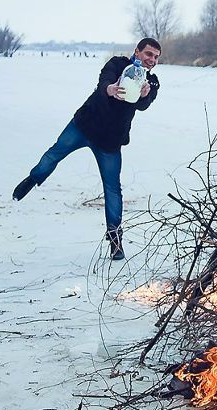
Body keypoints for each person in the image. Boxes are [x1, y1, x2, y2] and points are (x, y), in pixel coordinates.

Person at [12, 38, 162, 260]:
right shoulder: (117, 64)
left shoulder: (151, 82)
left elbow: (143, 104)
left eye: (156, 57)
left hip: (110, 141)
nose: (152, 60)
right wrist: (111, 89)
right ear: (137, 52)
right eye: (149, 54)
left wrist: (144, 94)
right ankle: (32, 179)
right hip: (84, 125)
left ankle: (115, 238)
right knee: (54, 154)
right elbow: (104, 84)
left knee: (112, 188)